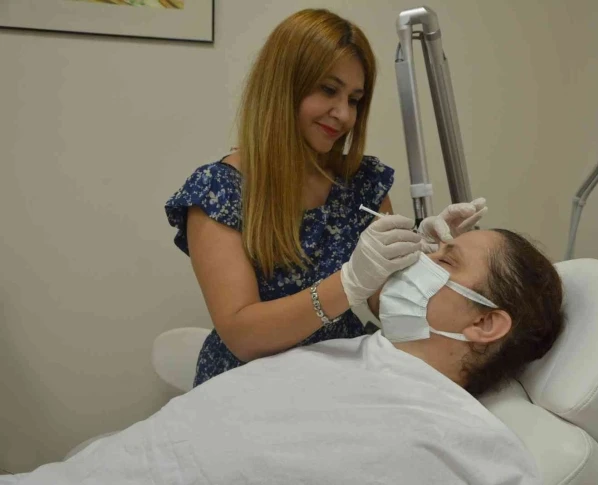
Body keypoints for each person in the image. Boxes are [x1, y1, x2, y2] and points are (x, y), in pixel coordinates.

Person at [4, 229, 563, 485]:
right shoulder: (360, 354)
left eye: (444, 259)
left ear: (484, 323)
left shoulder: (455, 441)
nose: (419, 258)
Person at [164, 8, 487, 387]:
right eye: (329, 90)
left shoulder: (362, 182)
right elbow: (243, 336)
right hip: (249, 383)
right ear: (283, 85)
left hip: (339, 371)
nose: (344, 114)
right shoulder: (218, 191)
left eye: (355, 99)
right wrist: (348, 283)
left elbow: (386, 306)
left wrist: (426, 259)